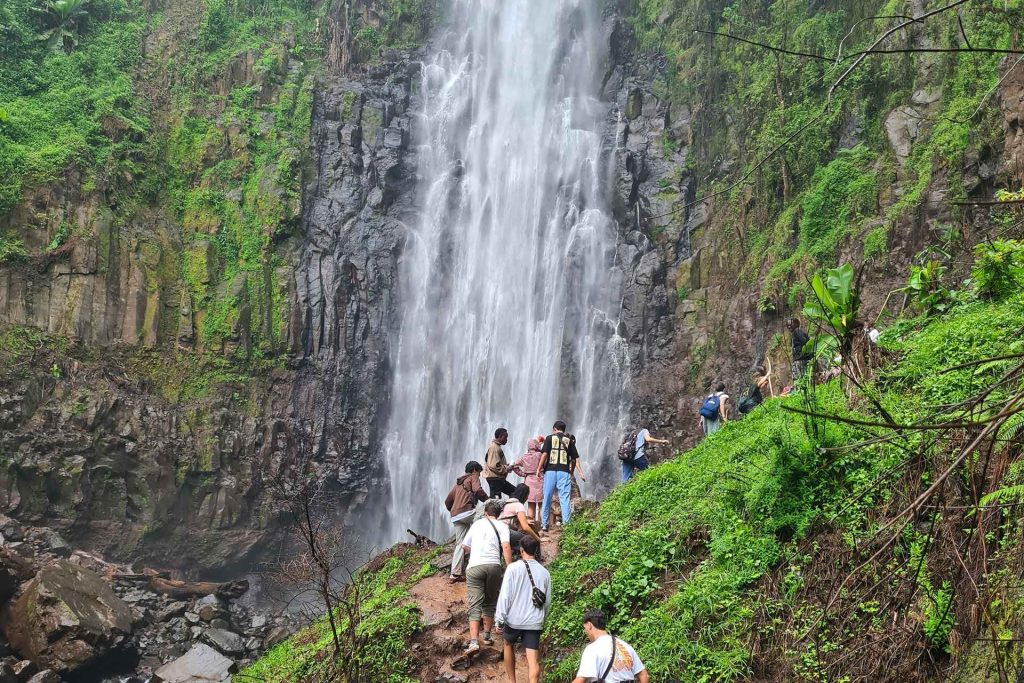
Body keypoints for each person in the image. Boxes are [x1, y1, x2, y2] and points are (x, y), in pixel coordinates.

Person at [494, 536, 551, 683]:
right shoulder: (545, 572)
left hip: (514, 620)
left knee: (507, 644)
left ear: (521, 550)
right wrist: (542, 619)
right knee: (533, 660)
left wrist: (499, 619)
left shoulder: (513, 568)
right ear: (536, 550)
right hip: (534, 620)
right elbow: (547, 601)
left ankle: (512, 681)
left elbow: (505, 595)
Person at [461, 499, 513, 656]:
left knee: (474, 603)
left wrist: (476, 552)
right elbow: (506, 546)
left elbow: (464, 546)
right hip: (494, 566)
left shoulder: (476, 525)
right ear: (499, 514)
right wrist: (510, 567)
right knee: (490, 600)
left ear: (485, 513)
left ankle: (474, 641)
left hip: (475, 566)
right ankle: (488, 636)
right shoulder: (503, 526)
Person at [571, 609, 649, 683]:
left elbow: (580, 680)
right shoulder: (626, 646)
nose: (586, 632)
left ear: (589, 625)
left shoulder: (592, 649)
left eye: (585, 628)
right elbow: (643, 674)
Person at [444, 461, 489, 583]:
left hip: (455, 516)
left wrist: (454, 510)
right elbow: (478, 490)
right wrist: (488, 501)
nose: (479, 476)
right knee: (488, 516)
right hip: (467, 512)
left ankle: (455, 574)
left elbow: (447, 501)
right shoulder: (472, 477)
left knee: (460, 544)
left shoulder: (457, 484)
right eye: (479, 472)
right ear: (474, 470)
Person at [536, 421, 578, 533]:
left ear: (554, 429)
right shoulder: (569, 440)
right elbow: (574, 459)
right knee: (564, 498)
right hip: (564, 471)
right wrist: (571, 471)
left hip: (550, 471)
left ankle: (544, 524)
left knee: (547, 497)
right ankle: (567, 524)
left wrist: (538, 468)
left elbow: (544, 454)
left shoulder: (549, 438)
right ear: (564, 429)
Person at [498, 484, 542, 552]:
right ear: (525, 495)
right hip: (504, 531)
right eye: (528, 495)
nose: (527, 498)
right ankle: (535, 558)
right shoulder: (519, 505)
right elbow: (525, 527)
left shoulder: (508, 502)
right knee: (529, 540)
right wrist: (539, 539)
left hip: (497, 529)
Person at [511, 436, 545, 523]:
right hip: (540, 479)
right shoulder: (540, 455)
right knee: (541, 505)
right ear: (536, 446)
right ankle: (542, 525)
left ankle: (532, 525)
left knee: (531, 505)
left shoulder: (524, 457)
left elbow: (513, 466)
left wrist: (523, 474)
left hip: (529, 481)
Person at [484, 428, 516, 498]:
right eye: (505, 437)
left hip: (497, 479)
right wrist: (506, 468)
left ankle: (507, 508)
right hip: (495, 479)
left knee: (514, 492)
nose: (507, 440)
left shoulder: (495, 447)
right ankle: (508, 508)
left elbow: (495, 463)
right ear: (501, 436)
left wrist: (506, 466)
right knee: (496, 500)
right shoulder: (494, 448)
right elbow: (493, 465)